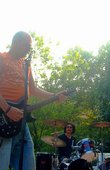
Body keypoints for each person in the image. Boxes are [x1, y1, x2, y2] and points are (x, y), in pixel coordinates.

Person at [0, 31, 68, 170]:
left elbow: (34, 90)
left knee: (29, 165)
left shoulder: (26, 65)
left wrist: (55, 95)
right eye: (27, 45)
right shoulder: (1, 58)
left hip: (21, 123)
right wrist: (7, 109)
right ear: (16, 42)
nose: (29, 49)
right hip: (3, 119)